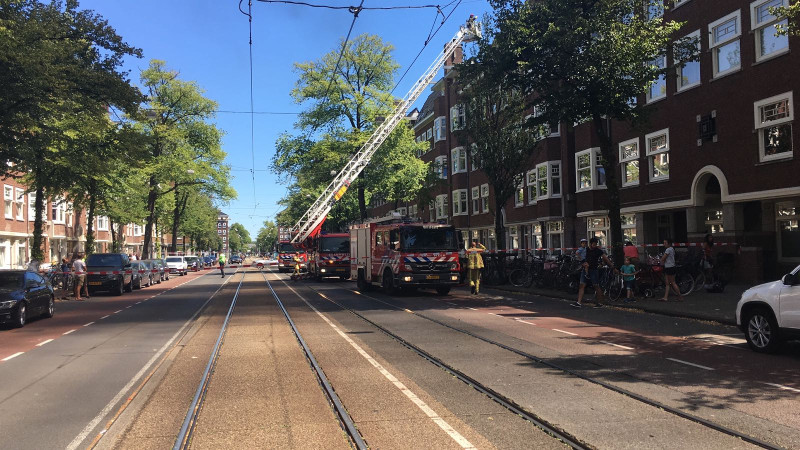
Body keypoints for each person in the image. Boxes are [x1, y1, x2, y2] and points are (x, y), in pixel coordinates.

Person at [571, 237, 613, 308]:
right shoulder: (585, 250)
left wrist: (612, 266)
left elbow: (605, 258)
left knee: (596, 285)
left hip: (593, 270)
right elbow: (578, 255)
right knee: (582, 285)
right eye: (593, 244)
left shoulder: (598, 251)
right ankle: (579, 302)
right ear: (590, 244)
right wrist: (582, 262)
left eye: (596, 244)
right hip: (585, 269)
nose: (595, 246)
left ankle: (600, 303)